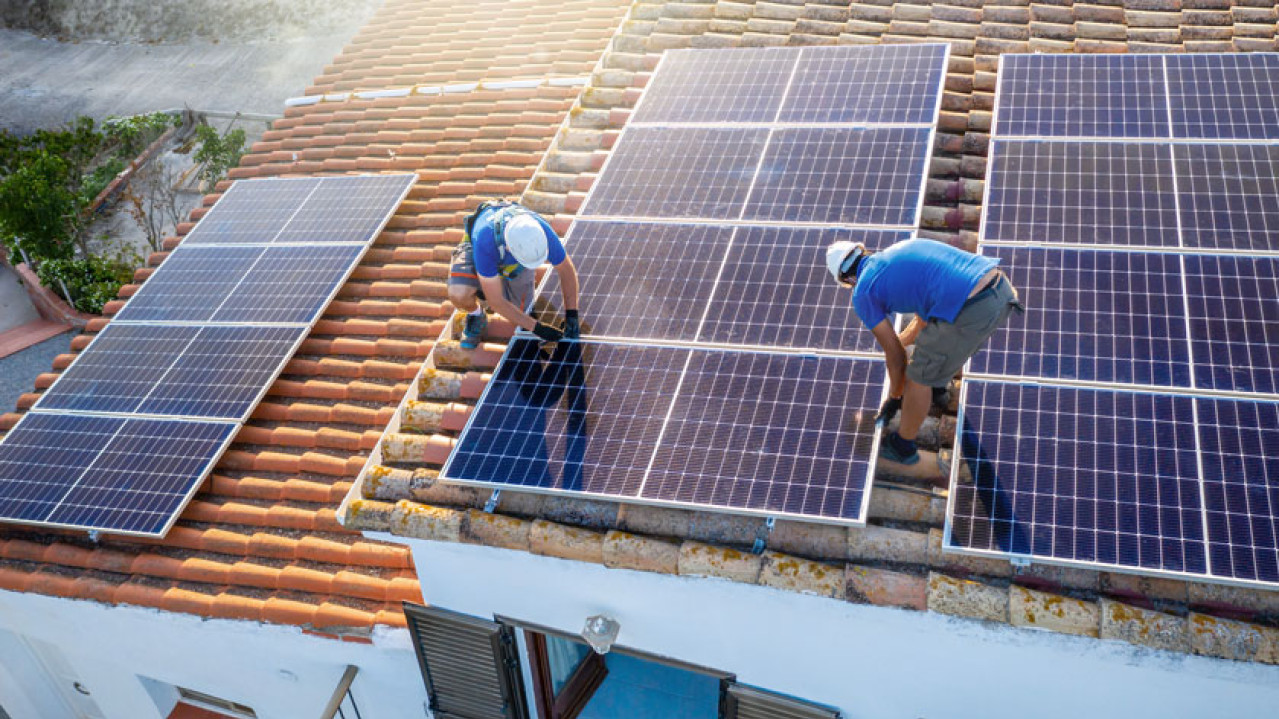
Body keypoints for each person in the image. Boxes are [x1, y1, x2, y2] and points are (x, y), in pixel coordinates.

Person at [826, 237, 1023, 465]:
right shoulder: (900, 250)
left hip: (971, 309)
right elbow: (923, 318)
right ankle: (939, 388)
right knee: (937, 344)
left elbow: (896, 357)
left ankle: (903, 447)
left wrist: (895, 396)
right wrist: (902, 342)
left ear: (848, 279)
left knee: (918, 377)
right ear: (863, 252)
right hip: (1001, 291)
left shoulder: (863, 292)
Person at [447, 201, 581, 349]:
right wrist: (537, 328)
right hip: (478, 250)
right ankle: (476, 314)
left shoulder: (540, 231)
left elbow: (566, 270)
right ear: (510, 248)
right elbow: (496, 302)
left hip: (511, 260)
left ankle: (497, 286)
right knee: (459, 294)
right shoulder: (484, 241)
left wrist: (572, 314)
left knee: (520, 314)